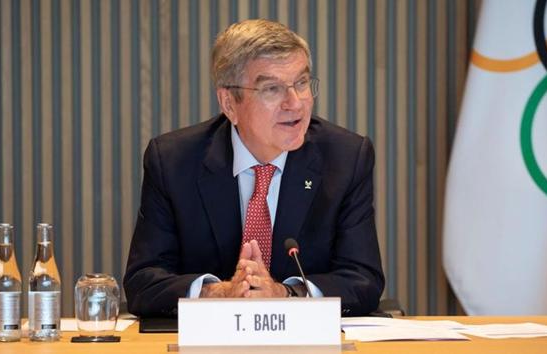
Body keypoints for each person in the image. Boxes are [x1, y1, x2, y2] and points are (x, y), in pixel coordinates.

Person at [124, 19, 384, 318]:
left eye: (301, 83)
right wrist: (219, 292)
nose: (295, 103)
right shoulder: (173, 161)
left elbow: (363, 280)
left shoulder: (345, 157)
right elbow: (143, 283)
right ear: (229, 103)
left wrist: (284, 294)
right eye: (272, 88)